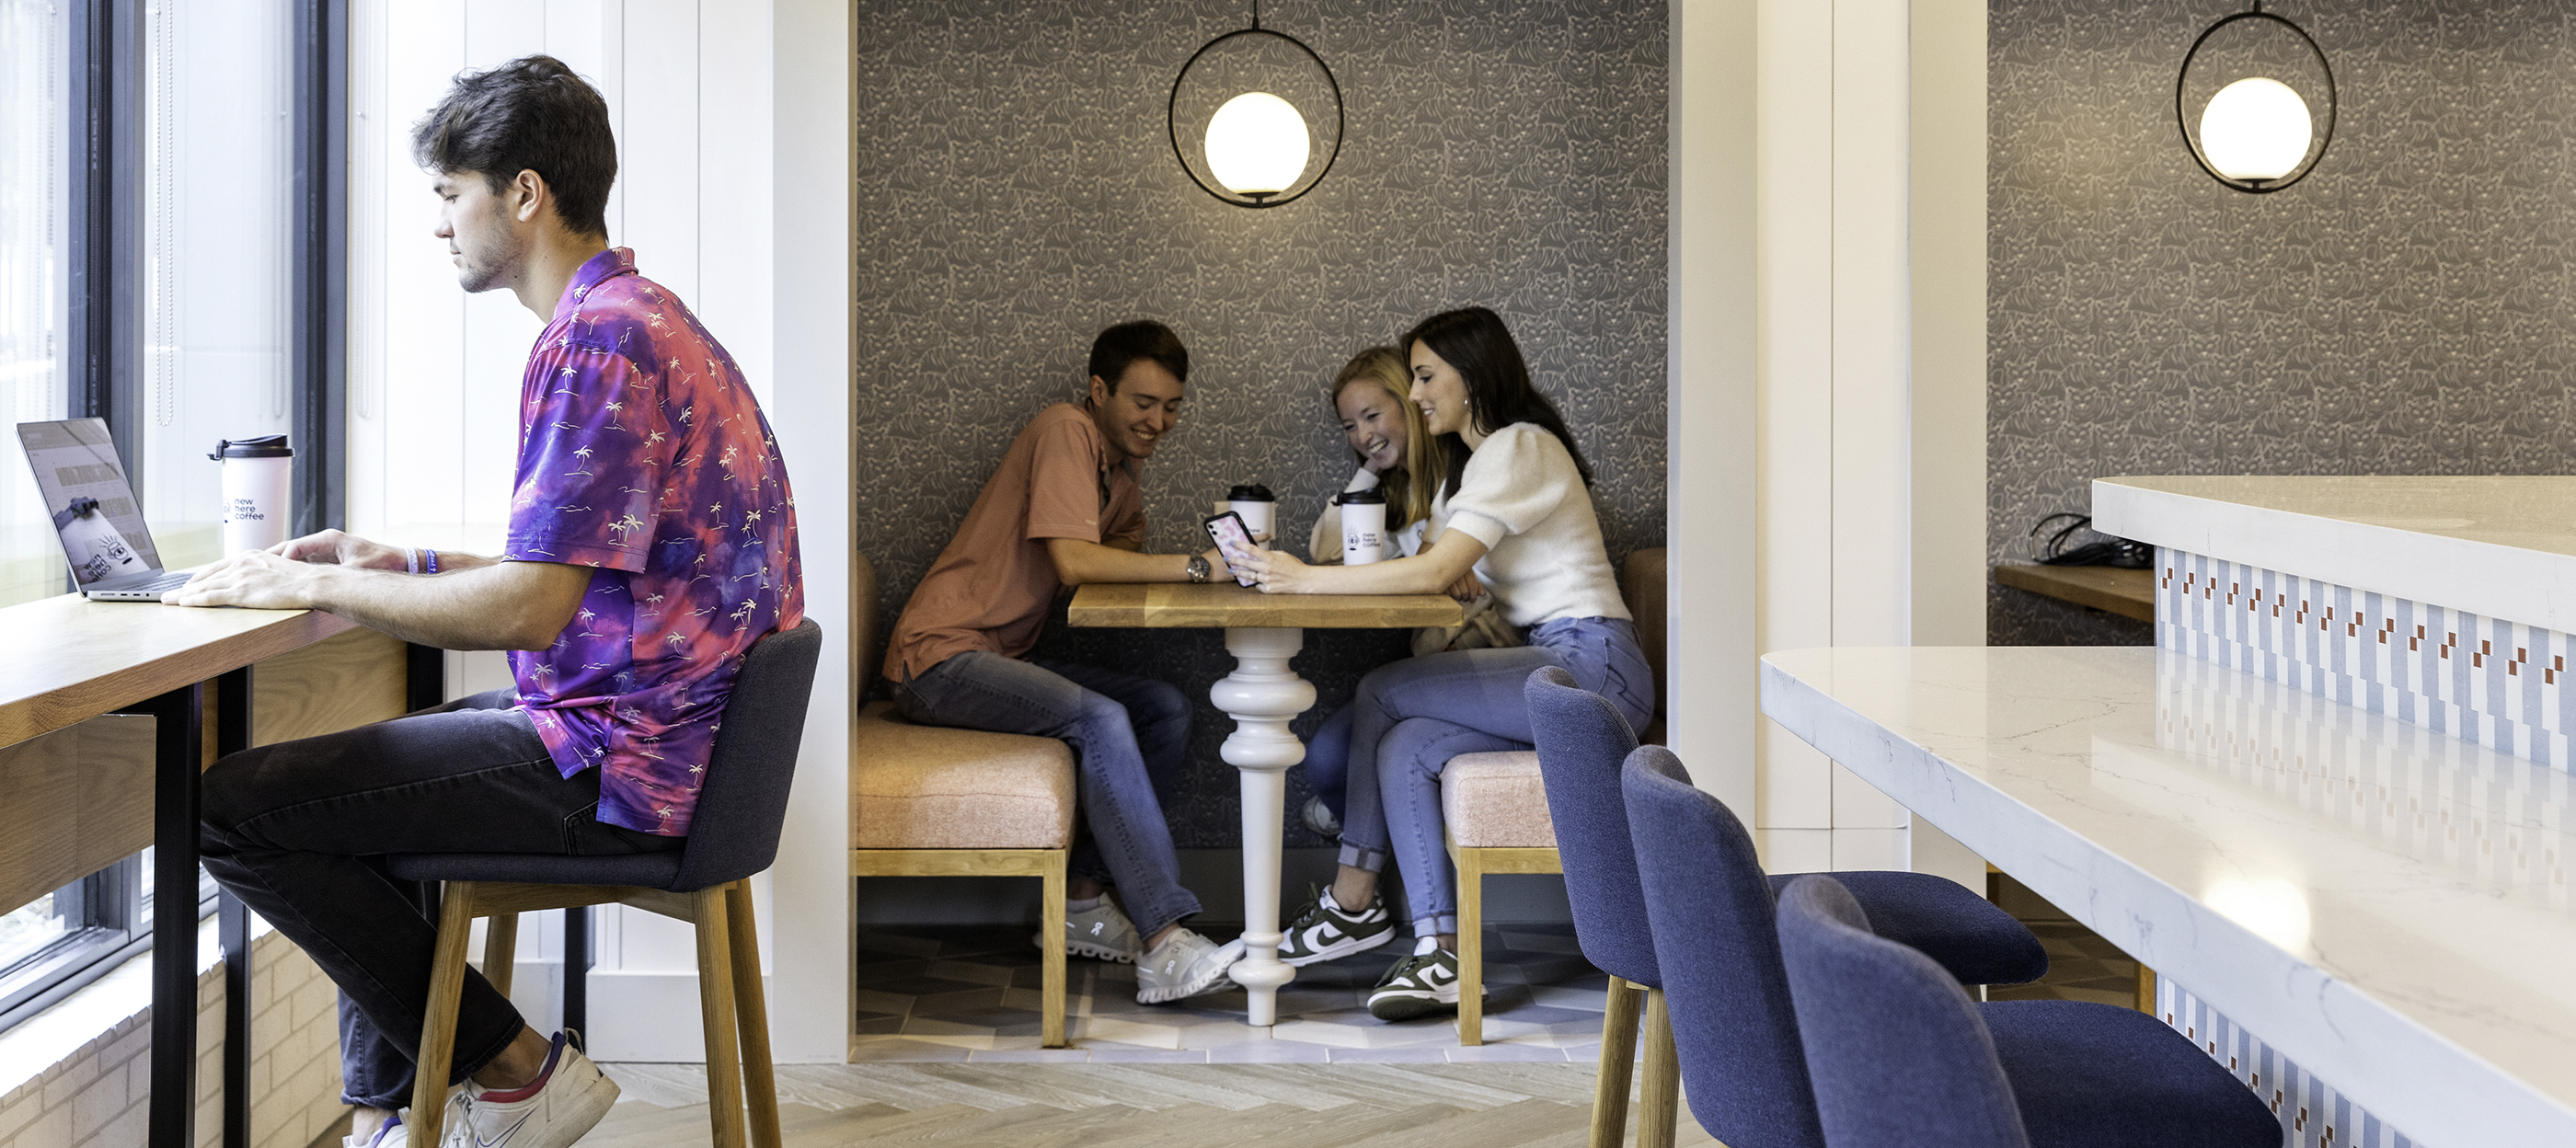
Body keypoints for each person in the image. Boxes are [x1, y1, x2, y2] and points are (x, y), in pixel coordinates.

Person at [169, 56, 800, 1148]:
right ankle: (393, 1117)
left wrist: (308, 580)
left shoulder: (598, 341)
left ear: (522, 192)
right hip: (668, 740)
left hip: (621, 763)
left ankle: (510, 1072)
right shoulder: (648, 317)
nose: (439, 224)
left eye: (447, 193)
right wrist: (397, 563)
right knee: (357, 786)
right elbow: (578, 577)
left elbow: (527, 615)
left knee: (232, 808)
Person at [1235, 307, 1653, 1021]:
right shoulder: (1479, 468)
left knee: (1382, 690)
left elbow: (1434, 573)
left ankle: (1354, 901)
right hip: (1559, 661)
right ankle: (1442, 954)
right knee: (1404, 747)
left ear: (1474, 373)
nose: (1418, 392)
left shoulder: (1518, 445)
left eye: (1427, 377)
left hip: (1592, 667)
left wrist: (1296, 578)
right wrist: (1447, 571)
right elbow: (1454, 571)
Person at [881, 320, 1245, 1004]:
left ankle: (1082, 901)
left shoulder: (1122, 479)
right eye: (1143, 402)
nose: (1159, 420)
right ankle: (1164, 938)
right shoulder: (1064, 430)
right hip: (937, 660)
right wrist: (1204, 568)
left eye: (1172, 407)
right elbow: (1075, 561)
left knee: (1161, 709)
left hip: (996, 657)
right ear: (1098, 390)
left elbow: (1102, 577)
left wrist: (1222, 563)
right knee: (1101, 719)